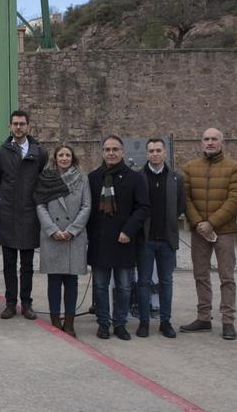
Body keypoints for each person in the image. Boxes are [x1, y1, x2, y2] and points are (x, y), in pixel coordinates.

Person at [180, 127, 237, 340]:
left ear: (222, 142)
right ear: (201, 142)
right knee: (201, 275)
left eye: (214, 139)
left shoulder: (233, 168)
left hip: (224, 230)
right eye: (206, 139)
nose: (210, 142)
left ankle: (228, 320)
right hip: (199, 231)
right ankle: (204, 317)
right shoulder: (190, 167)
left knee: (227, 276)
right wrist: (199, 223)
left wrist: (212, 223)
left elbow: (234, 199)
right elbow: (186, 198)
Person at [86, 135, 150, 340]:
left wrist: (128, 230)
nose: (111, 153)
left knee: (123, 287)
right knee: (101, 287)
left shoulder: (134, 178)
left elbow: (143, 207)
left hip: (124, 241)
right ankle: (103, 323)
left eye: (115, 149)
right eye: (107, 149)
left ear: (122, 152)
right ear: (102, 152)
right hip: (100, 241)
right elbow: (87, 209)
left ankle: (120, 323)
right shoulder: (93, 178)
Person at [0, 110, 48, 320]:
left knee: (26, 264)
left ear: (28, 126)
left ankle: (26, 303)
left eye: (22, 124)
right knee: (8, 264)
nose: (18, 127)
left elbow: (40, 180)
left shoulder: (39, 153)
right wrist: (8, 201)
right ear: (9, 127)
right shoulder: (0, 153)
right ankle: (10, 303)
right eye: (15, 124)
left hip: (29, 215)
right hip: (8, 215)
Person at [35, 144, 91, 336]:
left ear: (72, 158)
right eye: (61, 155)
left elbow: (86, 206)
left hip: (73, 237)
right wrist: (52, 230)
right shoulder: (46, 179)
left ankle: (69, 322)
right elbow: (40, 206)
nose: (65, 158)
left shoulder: (82, 179)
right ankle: (54, 320)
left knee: (71, 281)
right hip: (52, 237)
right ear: (55, 158)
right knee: (54, 280)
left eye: (68, 155)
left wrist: (72, 230)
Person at [135, 138, 185, 339]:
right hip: (145, 239)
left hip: (167, 240)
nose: (154, 154)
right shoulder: (138, 177)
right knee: (143, 281)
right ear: (146, 154)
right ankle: (144, 322)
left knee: (166, 281)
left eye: (158, 150)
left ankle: (165, 321)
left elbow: (180, 205)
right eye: (151, 151)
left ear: (164, 153)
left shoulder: (176, 178)